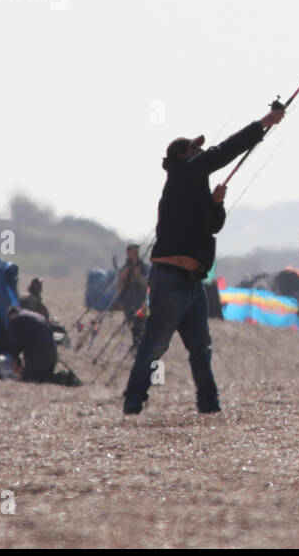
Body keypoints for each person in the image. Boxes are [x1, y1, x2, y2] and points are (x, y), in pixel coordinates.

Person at [122, 106, 285, 415]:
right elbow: (225, 151)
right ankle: (133, 403)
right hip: (169, 279)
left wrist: (217, 204)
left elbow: (212, 226)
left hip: (193, 283)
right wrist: (264, 123)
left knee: (201, 349)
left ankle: (209, 407)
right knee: (155, 346)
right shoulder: (184, 173)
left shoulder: (193, 185)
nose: (201, 151)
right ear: (184, 156)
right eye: (195, 148)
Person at [3, 305, 59, 383]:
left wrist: (14, 359)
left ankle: (65, 379)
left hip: (39, 355)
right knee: (46, 380)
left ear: (11, 315)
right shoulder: (36, 315)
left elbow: (15, 342)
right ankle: (65, 379)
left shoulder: (15, 319)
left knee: (27, 381)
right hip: (53, 352)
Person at [116, 244, 149, 345]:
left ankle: (140, 345)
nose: (133, 254)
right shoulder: (125, 267)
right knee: (132, 323)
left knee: (142, 323)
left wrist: (139, 277)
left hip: (142, 300)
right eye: (131, 251)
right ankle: (136, 343)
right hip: (128, 300)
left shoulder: (145, 266)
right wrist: (123, 277)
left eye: (135, 251)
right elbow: (118, 286)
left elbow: (149, 284)